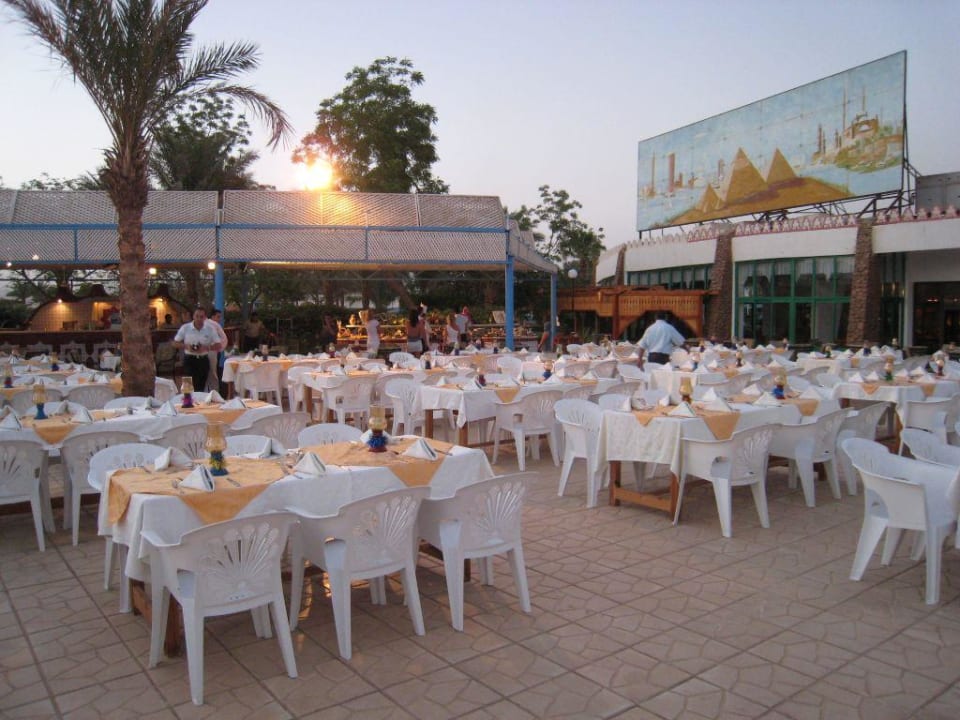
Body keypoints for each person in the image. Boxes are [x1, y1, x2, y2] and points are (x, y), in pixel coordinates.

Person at [173, 307, 225, 393]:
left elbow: (218, 345)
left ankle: (199, 404)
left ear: (205, 318)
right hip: (189, 359)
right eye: (197, 316)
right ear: (193, 316)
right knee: (187, 386)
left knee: (200, 387)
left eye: (201, 317)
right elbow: (175, 343)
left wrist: (207, 348)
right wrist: (187, 346)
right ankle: (187, 403)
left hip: (203, 359)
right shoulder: (185, 328)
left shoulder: (210, 329)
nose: (199, 319)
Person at [206, 308, 229, 393]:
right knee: (213, 372)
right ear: (212, 316)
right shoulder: (215, 325)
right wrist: (220, 349)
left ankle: (207, 392)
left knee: (208, 372)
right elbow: (224, 339)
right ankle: (214, 392)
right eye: (218, 317)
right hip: (212, 351)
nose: (219, 319)